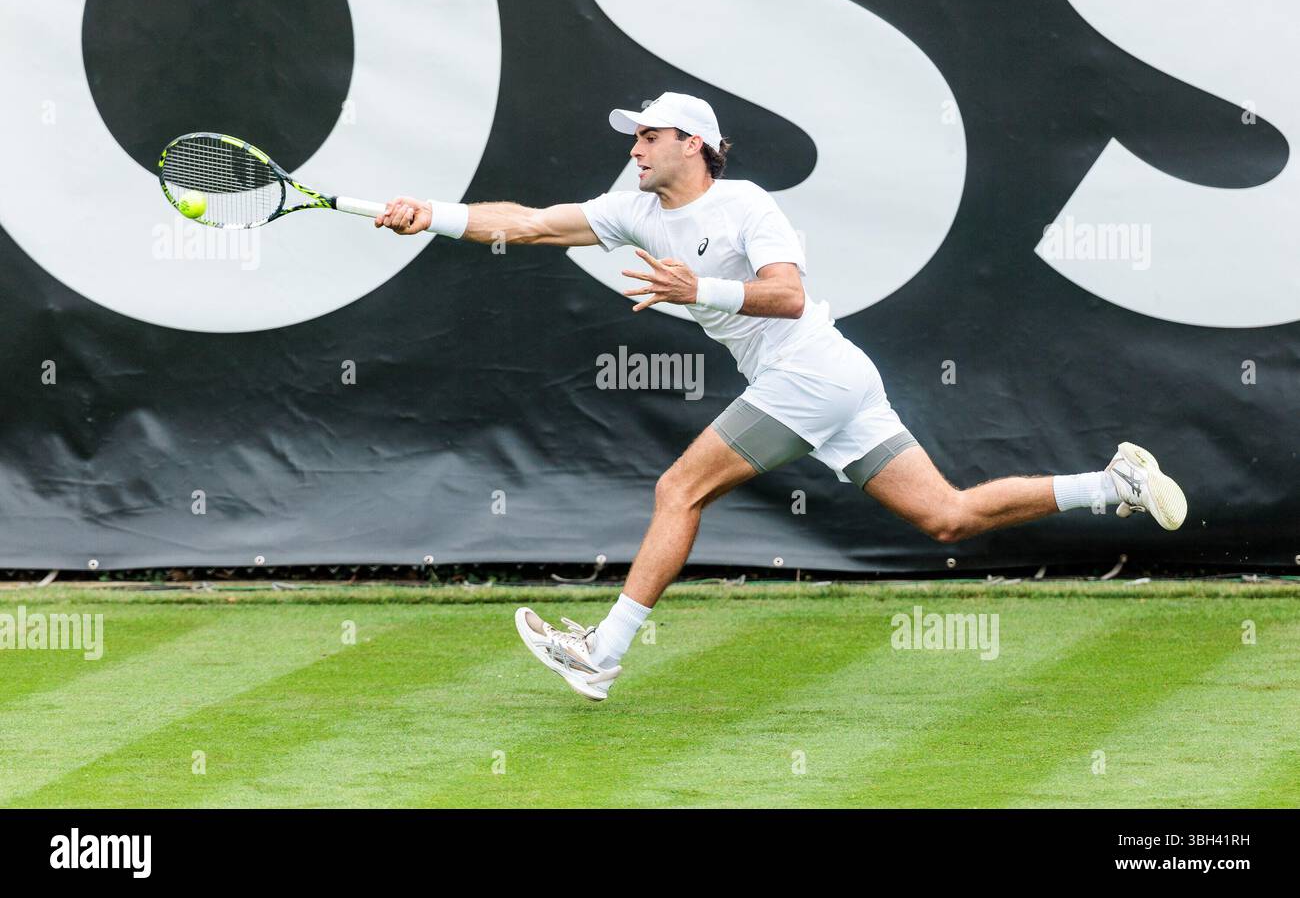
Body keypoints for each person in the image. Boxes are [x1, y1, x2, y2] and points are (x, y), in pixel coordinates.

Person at [375, 90, 1187, 701]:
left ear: (691, 143)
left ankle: (604, 652)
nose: (634, 147)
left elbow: (788, 296)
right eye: (633, 138)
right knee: (950, 516)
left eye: (648, 135)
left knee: (677, 489)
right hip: (826, 381)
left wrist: (701, 288)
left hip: (812, 370)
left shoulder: (744, 204)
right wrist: (430, 214)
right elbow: (529, 222)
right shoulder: (631, 211)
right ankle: (1112, 484)